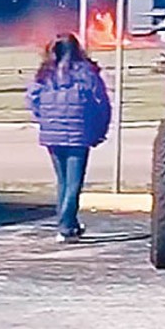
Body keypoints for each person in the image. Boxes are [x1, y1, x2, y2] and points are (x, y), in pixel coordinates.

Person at [27, 34, 111, 243]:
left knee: (63, 181)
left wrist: (44, 119)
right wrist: (100, 130)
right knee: (74, 183)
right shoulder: (87, 74)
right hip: (79, 134)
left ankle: (69, 224)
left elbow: (32, 100)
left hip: (52, 135)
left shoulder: (45, 74)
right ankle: (65, 225)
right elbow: (101, 103)